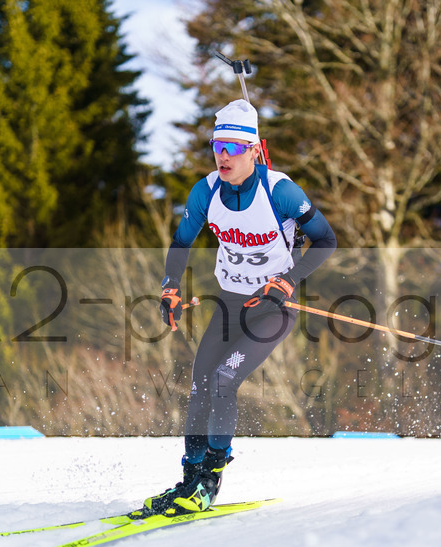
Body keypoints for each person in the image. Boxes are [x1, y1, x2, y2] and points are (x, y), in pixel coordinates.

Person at [134, 99, 337, 518]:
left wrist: (287, 279)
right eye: (217, 145)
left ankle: (210, 480)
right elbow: (180, 243)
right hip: (229, 303)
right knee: (199, 383)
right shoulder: (206, 190)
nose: (223, 155)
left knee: (225, 379)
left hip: (272, 308)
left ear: (253, 150)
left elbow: (326, 240)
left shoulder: (280, 190)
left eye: (232, 146)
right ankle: (189, 479)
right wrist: (170, 287)